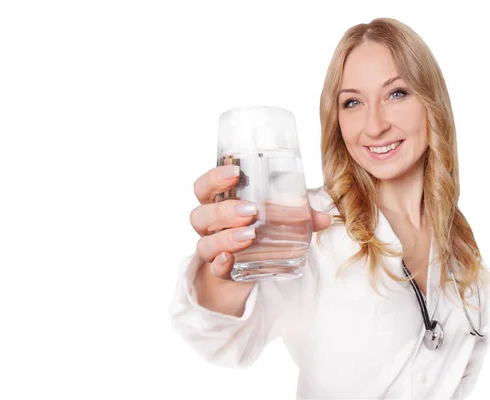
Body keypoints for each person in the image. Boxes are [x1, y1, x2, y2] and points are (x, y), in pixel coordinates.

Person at [169, 17, 489, 399]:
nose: (374, 126)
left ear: (431, 102)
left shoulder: (465, 256)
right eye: (352, 102)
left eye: (396, 94)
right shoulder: (310, 224)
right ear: (335, 120)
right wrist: (220, 276)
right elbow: (223, 336)